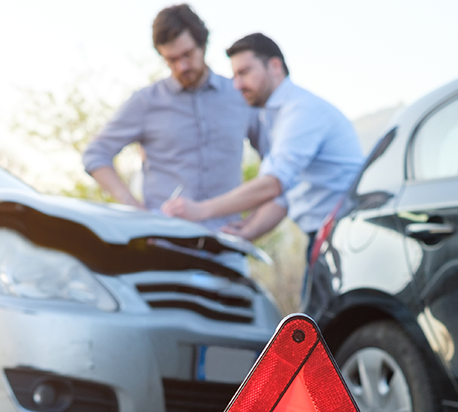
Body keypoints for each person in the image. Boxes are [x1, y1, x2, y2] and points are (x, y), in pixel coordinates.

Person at [161, 33, 363, 257]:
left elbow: (272, 184)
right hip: (328, 236)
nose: (237, 85)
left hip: (347, 237)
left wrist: (200, 210)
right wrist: (248, 229)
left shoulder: (301, 111)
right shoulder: (277, 116)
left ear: (274, 66)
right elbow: (284, 195)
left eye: (244, 72)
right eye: (235, 76)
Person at [82, 5, 256, 230]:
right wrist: (135, 210)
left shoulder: (239, 95)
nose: (182, 66)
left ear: (203, 45)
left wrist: (253, 225)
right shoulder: (146, 102)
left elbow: (277, 165)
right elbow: (96, 153)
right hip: (165, 242)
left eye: (187, 55)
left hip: (226, 243)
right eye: (171, 60)